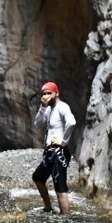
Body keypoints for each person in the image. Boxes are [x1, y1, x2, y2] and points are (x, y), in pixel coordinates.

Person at [31, 81, 76, 214]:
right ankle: (48, 207)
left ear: (56, 93)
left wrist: (63, 142)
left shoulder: (63, 107)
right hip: (49, 152)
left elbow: (72, 122)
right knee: (38, 178)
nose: (46, 96)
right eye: (44, 94)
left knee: (60, 186)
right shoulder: (48, 109)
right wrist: (42, 107)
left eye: (49, 93)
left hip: (59, 152)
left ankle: (65, 218)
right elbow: (37, 124)